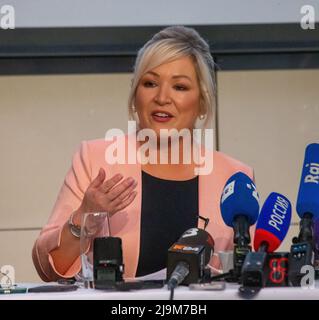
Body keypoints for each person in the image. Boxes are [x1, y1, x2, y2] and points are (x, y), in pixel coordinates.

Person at [32, 25, 254, 282]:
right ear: (135, 95)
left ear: (202, 102)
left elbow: (249, 272)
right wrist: (84, 219)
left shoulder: (235, 176)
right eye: (150, 83)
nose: (162, 97)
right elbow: (47, 268)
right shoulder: (95, 159)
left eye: (179, 87)